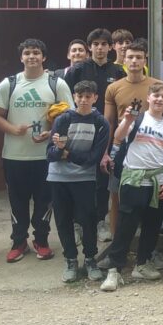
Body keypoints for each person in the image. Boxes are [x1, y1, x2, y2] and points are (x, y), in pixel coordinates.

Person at [0, 38, 73, 263]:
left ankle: (42, 241)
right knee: (17, 202)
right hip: (14, 155)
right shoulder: (9, 84)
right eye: (27, 53)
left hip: (46, 156)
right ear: (21, 57)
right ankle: (18, 242)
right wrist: (13, 129)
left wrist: (51, 132)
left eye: (36, 52)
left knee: (45, 201)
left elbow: (69, 116)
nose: (32, 57)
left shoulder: (56, 84)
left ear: (43, 57)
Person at [101, 82, 163, 291]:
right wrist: (127, 120)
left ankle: (142, 264)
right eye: (156, 95)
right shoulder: (137, 119)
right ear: (148, 98)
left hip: (158, 182)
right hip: (134, 180)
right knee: (126, 226)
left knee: (152, 225)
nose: (159, 99)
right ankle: (114, 270)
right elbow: (118, 137)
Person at [64, 27, 125, 241]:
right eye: (96, 44)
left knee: (102, 179)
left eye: (104, 44)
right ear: (90, 47)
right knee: (78, 178)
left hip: (106, 130)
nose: (100, 48)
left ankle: (100, 222)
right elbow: (66, 99)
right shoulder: (77, 70)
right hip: (79, 129)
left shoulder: (118, 71)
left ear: (110, 47)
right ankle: (78, 224)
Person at [47, 80, 110, 283]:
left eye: (88, 96)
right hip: (59, 177)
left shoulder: (101, 123)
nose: (83, 100)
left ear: (95, 98)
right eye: (80, 96)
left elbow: (93, 158)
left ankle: (90, 259)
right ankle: (70, 260)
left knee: (88, 219)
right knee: (63, 219)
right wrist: (59, 150)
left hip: (85, 178)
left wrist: (67, 153)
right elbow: (50, 154)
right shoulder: (62, 119)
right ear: (74, 97)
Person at [102, 41, 163, 241]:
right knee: (116, 195)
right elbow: (109, 122)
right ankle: (116, 243)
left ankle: (147, 249)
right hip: (121, 147)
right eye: (130, 57)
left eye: (139, 57)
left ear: (145, 59)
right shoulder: (113, 88)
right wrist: (105, 152)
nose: (134, 61)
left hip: (150, 148)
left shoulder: (157, 86)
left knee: (149, 198)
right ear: (124, 60)